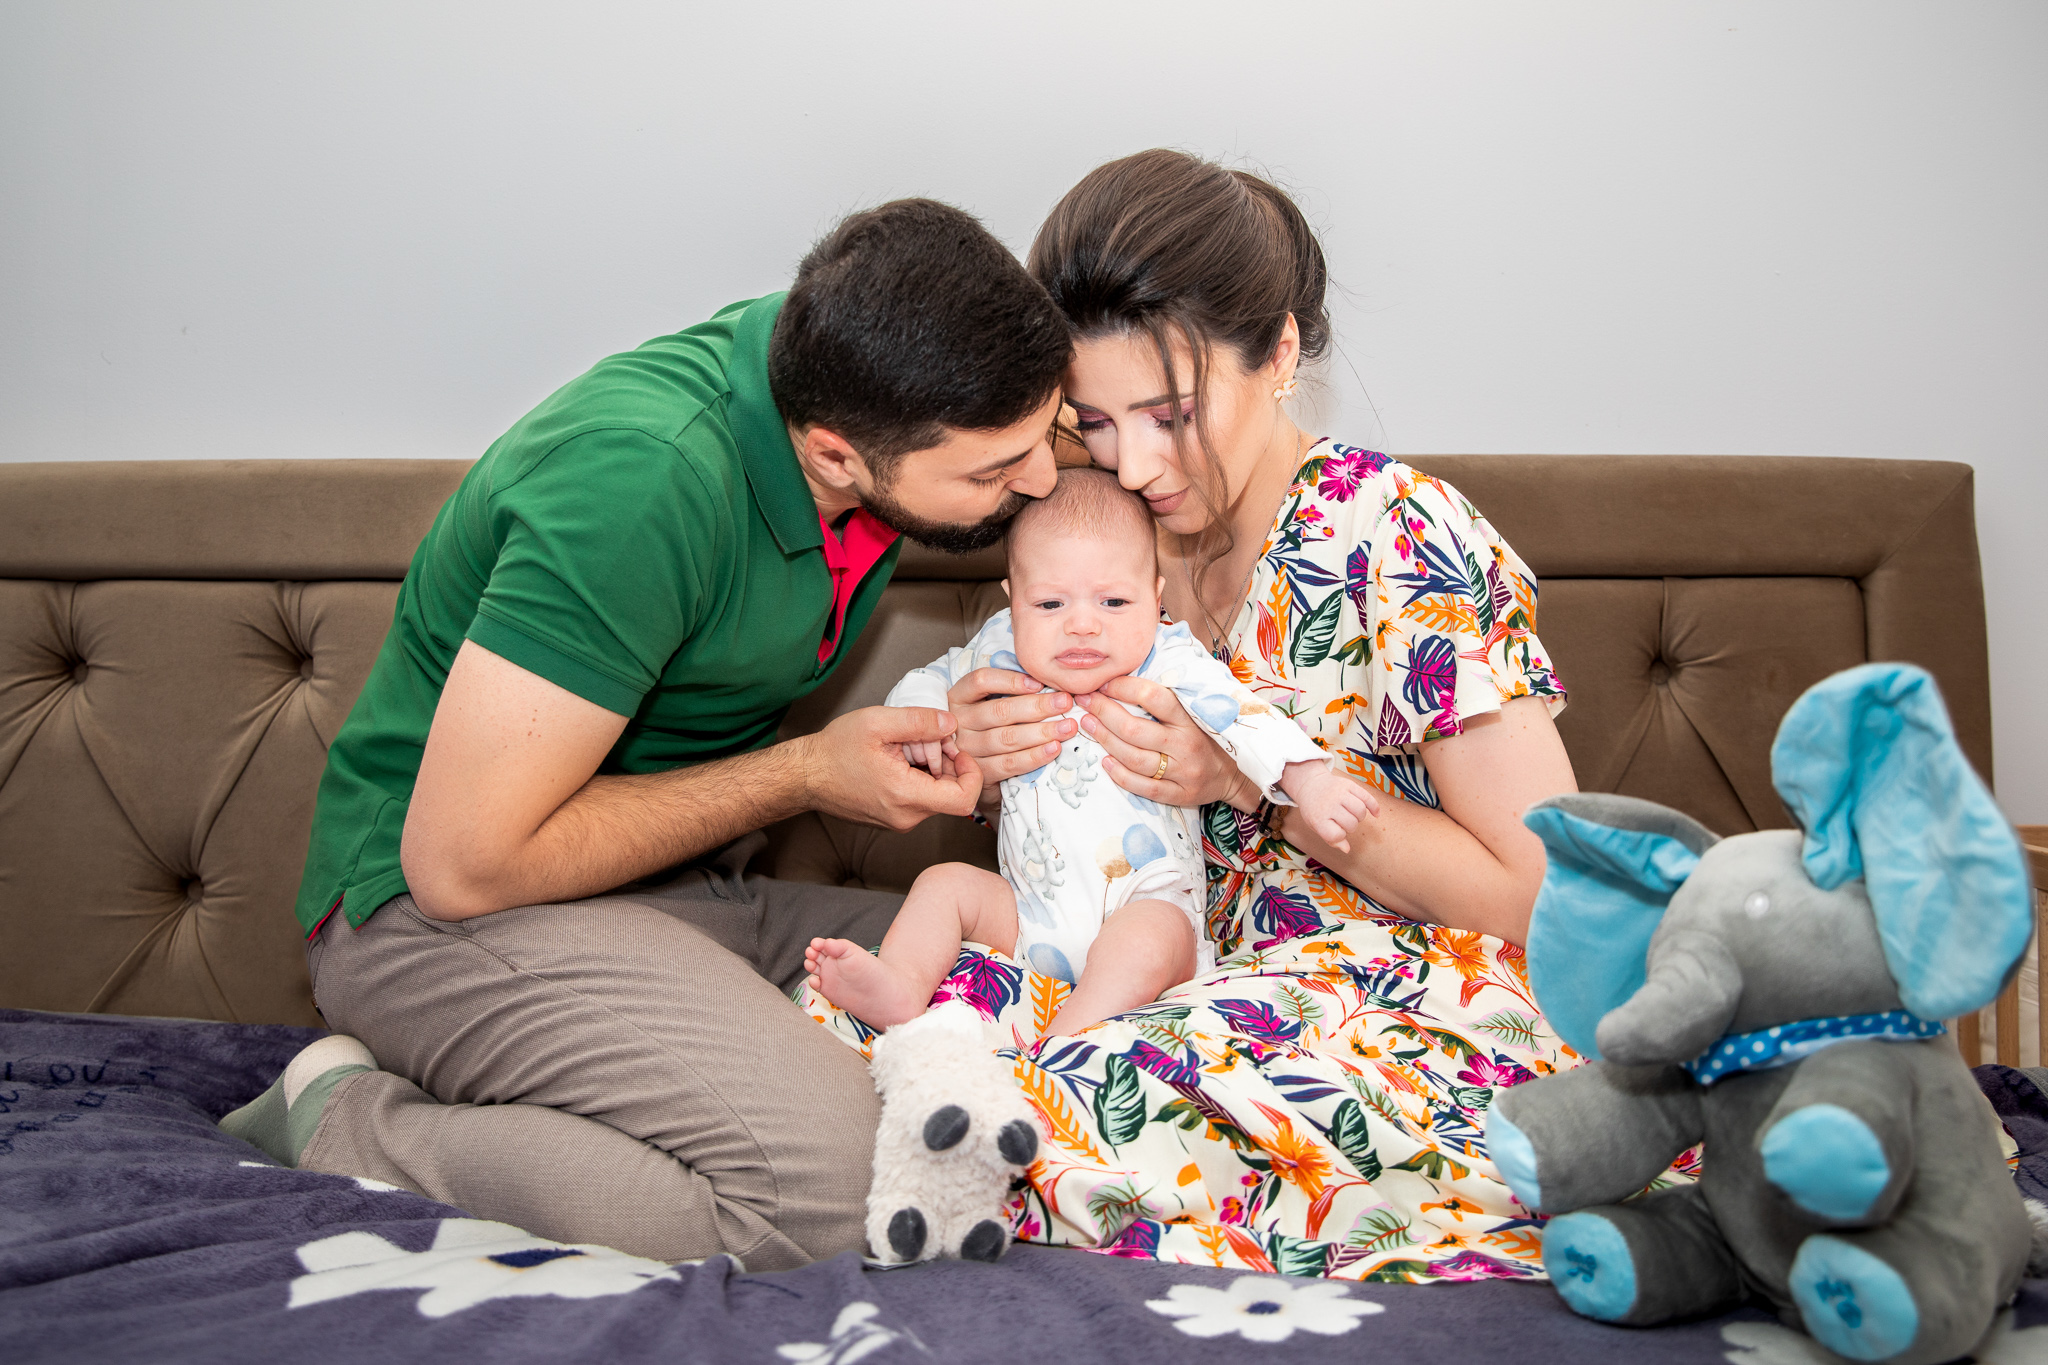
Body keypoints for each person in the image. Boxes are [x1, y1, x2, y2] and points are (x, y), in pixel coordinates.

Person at [219, 199, 1072, 1271]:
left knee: (1047, 980)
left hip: (673, 890)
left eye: (1045, 437)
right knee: (835, 1191)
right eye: (995, 473)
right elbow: (462, 864)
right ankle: (347, 1118)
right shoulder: (638, 481)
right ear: (837, 455)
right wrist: (805, 773)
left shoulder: (858, 363)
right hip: (431, 913)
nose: (1040, 481)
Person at [801, 152, 1584, 1279]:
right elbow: (1072, 821)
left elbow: (1541, 896)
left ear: (1278, 354)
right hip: (1163, 970)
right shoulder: (1103, 536)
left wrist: (1240, 784)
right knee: (850, 1042)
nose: (1133, 463)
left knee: (1078, 1095)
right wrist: (982, 753)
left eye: (1170, 416)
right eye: (1094, 422)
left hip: (1398, 991)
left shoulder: (1396, 533)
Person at [802, 467, 1375, 1037]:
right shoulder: (1000, 648)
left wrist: (1310, 782)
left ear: (1155, 597)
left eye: (1114, 601)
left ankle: (1066, 1042)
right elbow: (929, 679)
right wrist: (925, 723)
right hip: (1029, 917)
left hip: (1143, 900)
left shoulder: (1169, 658)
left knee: (1147, 939)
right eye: (1050, 604)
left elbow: (1242, 715)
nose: (1081, 625)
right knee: (944, 883)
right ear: (1013, 601)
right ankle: (901, 984)